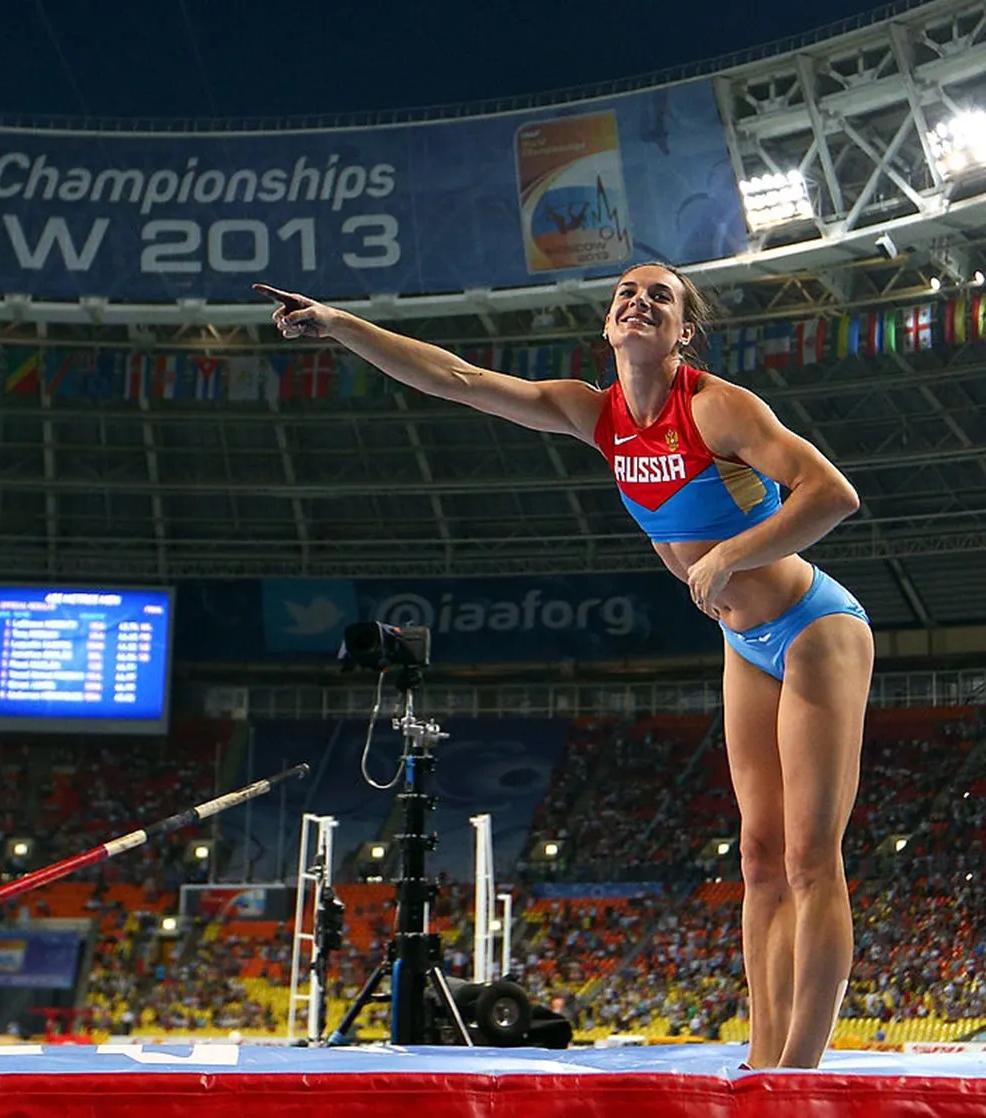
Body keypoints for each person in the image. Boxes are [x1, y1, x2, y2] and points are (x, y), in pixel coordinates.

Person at [255, 264, 874, 1070]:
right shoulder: (597, 415)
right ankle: (761, 1066)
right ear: (610, 324)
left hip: (814, 628)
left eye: (662, 297)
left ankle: (800, 1073)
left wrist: (730, 553)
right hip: (743, 644)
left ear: (683, 332)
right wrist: (340, 323)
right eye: (628, 292)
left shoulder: (718, 407)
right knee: (758, 859)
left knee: (807, 858)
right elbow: (457, 378)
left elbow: (831, 495)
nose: (639, 300)